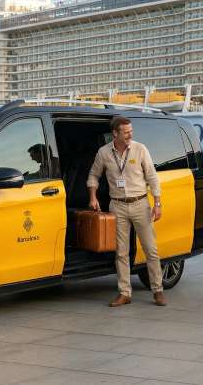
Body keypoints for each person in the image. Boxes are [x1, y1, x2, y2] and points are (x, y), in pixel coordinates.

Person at [87, 117, 166, 307]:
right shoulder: (104, 153)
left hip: (140, 204)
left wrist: (157, 203)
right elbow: (93, 175)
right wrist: (93, 196)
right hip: (118, 206)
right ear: (115, 133)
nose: (131, 134)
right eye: (126, 132)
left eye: (131, 130)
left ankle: (158, 290)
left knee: (151, 249)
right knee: (121, 252)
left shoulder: (140, 149)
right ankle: (125, 292)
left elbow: (152, 177)